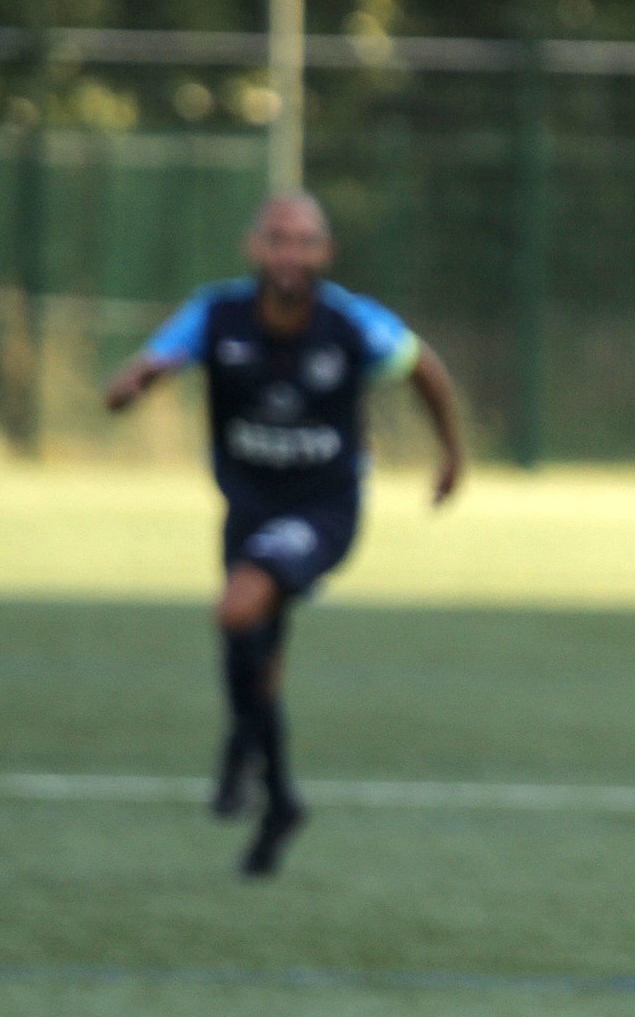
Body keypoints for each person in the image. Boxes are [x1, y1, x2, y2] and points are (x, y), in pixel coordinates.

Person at [103, 191, 465, 874]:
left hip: (324, 509)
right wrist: (133, 382)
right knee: (254, 645)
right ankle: (276, 798)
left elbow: (428, 373)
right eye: (277, 238)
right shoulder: (216, 314)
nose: (289, 252)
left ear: (324, 252)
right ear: (254, 247)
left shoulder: (353, 324)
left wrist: (452, 455)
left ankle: (249, 754)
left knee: (238, 606)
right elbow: (152, 362)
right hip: (247, 504)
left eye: (304, 240)